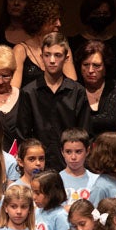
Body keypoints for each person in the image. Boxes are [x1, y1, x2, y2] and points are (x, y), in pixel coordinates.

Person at [16, 33, 88, 169]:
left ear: (66, 58)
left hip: (70, 165)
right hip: (38, 166)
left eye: (58, 55)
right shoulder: (28, 92)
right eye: (47, 55)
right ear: (41, 57)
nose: (52, 60)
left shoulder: (78, 92)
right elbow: (23, 136)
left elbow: (84, 133)